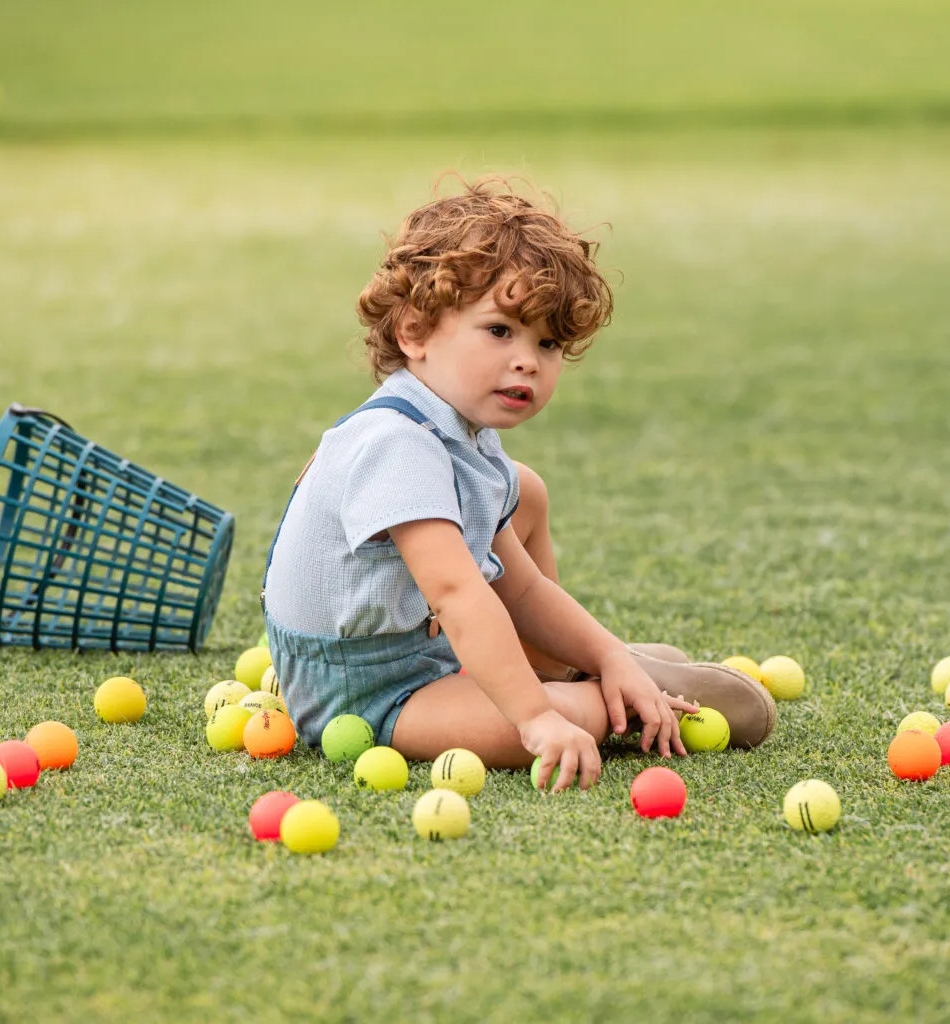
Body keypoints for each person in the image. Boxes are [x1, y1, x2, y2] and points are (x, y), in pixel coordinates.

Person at [261, 176, 775, 792]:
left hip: (426, 655)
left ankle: (583, 668)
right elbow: (458, 593)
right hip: (368, 694)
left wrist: (606, 652)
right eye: (500, 330)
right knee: (576, 718)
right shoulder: (398, 445)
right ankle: (588, 690)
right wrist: (535, 718)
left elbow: (522, 591)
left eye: (549, 342)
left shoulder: (460, 434)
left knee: (521, 491)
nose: (528, 359)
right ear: (415, 333)